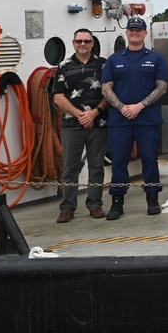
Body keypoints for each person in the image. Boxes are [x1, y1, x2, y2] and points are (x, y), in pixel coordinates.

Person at [100, 16, 168, 220]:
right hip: (120, 121)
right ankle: (117, 204)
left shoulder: (156, 58)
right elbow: (106, 88)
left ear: (145, 34)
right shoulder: (115, 59)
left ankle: (153, 200)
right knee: (119, 161)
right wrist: (123, 108)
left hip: (147, 119)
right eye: (131, 30)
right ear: (127, 33)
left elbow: (162, 86)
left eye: (139, 30)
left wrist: (140, 106)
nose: (135, 33)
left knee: (150, 160)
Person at [53, 28, 108, 223]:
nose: (83, 44)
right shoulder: (64, 66)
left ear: (92, 43)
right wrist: (79, 115)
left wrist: (94, 113)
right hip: (71, 125)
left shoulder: (103, 65)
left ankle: (95, 205)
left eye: (86, 41)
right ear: (73, 43)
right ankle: (67, 208)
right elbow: (58, 96)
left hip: (98, 123)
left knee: (96, 166)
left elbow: (108, 94)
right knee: (70, 167)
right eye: (79, 41)